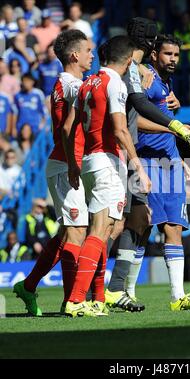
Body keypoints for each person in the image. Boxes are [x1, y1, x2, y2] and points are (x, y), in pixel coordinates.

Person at [105, 19, 190, 312]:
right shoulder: (140, 77)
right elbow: (137, 120)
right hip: (145, 159)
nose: (173, 60)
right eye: (168, 54)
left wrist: (178, 156)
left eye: (177, 55)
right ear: (154, 53)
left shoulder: (162, 83)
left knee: (174, 226)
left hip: (171, 162)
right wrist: (174, 127)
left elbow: (160, 111)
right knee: (139, 224)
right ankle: (123, 290)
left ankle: (177, 297)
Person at [64, 35, 151, 317]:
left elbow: (70, 127)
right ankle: (77, 300)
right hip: (106, 161)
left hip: (88, 160)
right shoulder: (115, 83)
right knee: (101, 231)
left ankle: (98, 298)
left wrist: (73, 163)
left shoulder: (88, 83)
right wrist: (138, 166)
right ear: (128, 61)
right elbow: (120, 129)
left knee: (107, 229)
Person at [13, 29, 95, 317]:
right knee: (77, 232)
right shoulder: (69, 83)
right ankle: (74, 301)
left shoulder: (72, 83)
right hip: (65, 165)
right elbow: (64, 127)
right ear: (75, 55)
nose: (92, 55)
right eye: (88, 50)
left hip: (68, 164)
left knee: (66, 234)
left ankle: (29, 285)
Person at [12, 72, 47, 137]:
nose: (26, 83)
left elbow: (44, 112)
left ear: (32, 82)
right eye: (24, 81)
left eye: (28, 81)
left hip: (35, 128)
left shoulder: (38, 94)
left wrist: (42, 126)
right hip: (21, 128)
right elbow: (15, 113)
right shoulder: (17, 95)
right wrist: (14, 128)